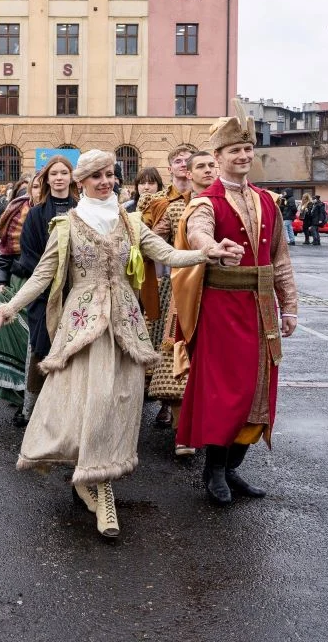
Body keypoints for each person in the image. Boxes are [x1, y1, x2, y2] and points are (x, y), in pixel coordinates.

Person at [0, 149, 239, 537]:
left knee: (119, 402)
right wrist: (5, 312)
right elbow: (41, 276)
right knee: (93, 399)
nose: (105, 182)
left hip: (126, 326)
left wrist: (207, 253)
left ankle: (94, 476)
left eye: (110, 175)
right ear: (81, 183)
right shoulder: (66, 226)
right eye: (96, 176)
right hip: (82, 326)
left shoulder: (129, 222)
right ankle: (98, 484)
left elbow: (164, 253)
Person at [172, 108, 297, 506]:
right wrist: (212, 249)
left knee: (260, 389)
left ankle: (232, 468)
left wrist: (289, 307)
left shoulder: (267, 201)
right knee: (226, 391)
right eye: (234, 151)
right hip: (221, 311)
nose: (243, 155)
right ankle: (213, 469)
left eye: (247, 149)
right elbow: (198, 233)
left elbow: (280, 259)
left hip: (261, 310)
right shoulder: (205, 202)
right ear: (219, 157)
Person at [153, 149, 218, 456]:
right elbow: (154, 241)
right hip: (184, 289)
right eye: (200, 166)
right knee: (180, 356)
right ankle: (182, 432)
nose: (207, 171)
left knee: (213, 360)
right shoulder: (175, 206)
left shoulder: (226, 202)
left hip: (220, 291)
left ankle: (215, 427)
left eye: (211, 165)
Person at [139, 144, 197, 429]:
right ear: (170, 167)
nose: (184, 164)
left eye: (189, 160)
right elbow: (144, 239)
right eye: (178, 160)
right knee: (164, 342)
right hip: (166, 282)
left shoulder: (206, 197)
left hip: (201, 281)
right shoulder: (158, 200)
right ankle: (166, 402)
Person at [17, 155, 79, 418]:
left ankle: (67, 408)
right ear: (47, 179)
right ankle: (32, 408)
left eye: (64, 173)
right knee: (41, 347)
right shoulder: (35, 214)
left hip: (75, 292)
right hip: (43, 293)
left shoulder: (82, 210)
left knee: (74, 349)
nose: (59, 178)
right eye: (54, 174)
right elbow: (29, 254)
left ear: (71, 177)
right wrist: (48, 282)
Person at [0, 174, 35, 424]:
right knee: (19, 343)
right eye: (31, 187)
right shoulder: (16, 213)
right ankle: (22, 400)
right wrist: (0, 282)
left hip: (53, 288)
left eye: (38, 186)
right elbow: (3, 253)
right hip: (20, 283)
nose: (35, 191)